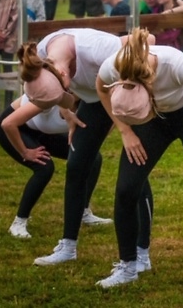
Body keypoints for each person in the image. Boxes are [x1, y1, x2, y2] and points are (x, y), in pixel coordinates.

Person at [94, 28, 183, 302]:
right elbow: (101, 88)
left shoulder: (173, 63)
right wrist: (125, 130)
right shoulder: (114, 65)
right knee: (126, 189)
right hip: (152, 119)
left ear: (149, 78)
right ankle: (128, 266)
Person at [17, 28, 153, 266]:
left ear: (62, 72)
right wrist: (68, 112)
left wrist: (125, 129)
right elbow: (61, 95)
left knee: (135, 171)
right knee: (76, 167)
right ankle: (68, 247)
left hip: (129, 96)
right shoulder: (43, 58)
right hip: (95, 100)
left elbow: (148, 39)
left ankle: (142, 252)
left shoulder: (96, 49)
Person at [0, 93, 112, 239]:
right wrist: (25, 152)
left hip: (42, 131)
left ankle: (82, 212)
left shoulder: (92, 103)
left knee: (93, 158)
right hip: (15, 129)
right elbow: (8, 124)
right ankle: (19, 222)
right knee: (44, 168)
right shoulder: (49, 97)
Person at [0, 0, 18, 111]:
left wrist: (3, 34)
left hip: (8, 42)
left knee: (8, 72)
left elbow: (14, 18)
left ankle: (8, 105)